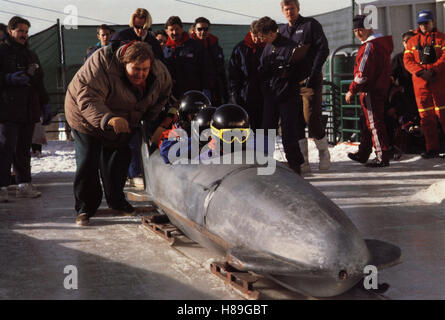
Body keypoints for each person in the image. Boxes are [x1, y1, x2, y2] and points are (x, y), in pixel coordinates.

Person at [65, 41, 172, 226]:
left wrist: (150, 120)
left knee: (119, 158)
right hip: (85, 116)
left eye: (145, 69)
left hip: (125, 116)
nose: (141, 74)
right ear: (124, 63)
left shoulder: (159, 72)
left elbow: (163, 95)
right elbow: (88, 98)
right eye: (136, 69)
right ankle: (85, 207)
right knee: (89, 160)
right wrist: (108, 119)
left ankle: (116, 200)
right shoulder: (101, 63)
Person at [0, 16, 51, 202]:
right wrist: (7, 78)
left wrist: (45, 104)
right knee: (5, 148)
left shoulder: (31, 54)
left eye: (26, 31)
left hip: (28, 109)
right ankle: (2, 186)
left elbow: (39, 82)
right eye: (20, 31)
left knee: (23, 148)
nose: (24, 35)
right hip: (6, 109)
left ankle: (24, 184)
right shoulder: (2, 52)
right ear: (10, 31)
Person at [279, 0, 331, 172]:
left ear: (298, 8)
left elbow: (323, 48)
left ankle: (324, 151)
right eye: (286, 9)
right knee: (296, 121)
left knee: (310, 118)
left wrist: (314, 71)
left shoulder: (310, 25)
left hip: (310, 80)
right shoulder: (283, 31)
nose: (289, 12)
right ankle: (304, 160)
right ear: (282, 11)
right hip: (291, 82)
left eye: (292, 8)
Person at [256, 16, 305, 175]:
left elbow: (302, 71)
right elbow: (262, 70)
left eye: (264, 36)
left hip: (288, 96)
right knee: (267, 131)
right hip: (271, 95)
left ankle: (296, 167)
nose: (262, 39)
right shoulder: (267, 48)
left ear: (271, 33)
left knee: (288, 133)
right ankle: (265, 166)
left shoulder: (291, 47)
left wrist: (288, 72)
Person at [345, 15, 393, 167]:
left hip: (371, 90)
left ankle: (382, 156)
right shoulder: (381, 44)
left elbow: (362, 73)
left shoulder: (369, 47)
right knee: (369, 123)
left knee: (374, 123)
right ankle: (364, 152)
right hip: (379, 88)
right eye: (355, 30)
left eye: (360, 29)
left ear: (369, 28)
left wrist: (351, 90)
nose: (358, 33)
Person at [404, 9, 445, 158]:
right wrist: (421, 72)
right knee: (426, 118)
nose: (423, 26)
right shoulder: (412, 42)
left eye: (426, 23)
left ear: (433, 22)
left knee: (443, 115)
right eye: (421, 23)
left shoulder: (442, 39)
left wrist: (433, 71)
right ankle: (432, 149)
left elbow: (444, 59)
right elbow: (407, 61)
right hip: (421, 85)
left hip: (439, 84)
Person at [228, 20, 266, 130]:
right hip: (244, 95)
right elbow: (233, 74)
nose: (256, 39)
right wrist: (234, 94)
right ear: (250, 32)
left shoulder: (267, 48)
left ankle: (263, 146)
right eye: (254, 36)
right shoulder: (240, 49)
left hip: (262, 95)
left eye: (259, 36)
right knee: (243, 129)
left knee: (263, 128)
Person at [164, 16, 212, 100]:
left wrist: (206, 89)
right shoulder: (164, 49)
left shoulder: (196, 46)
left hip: (193, 93)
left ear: (182, 29)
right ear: (167, 31)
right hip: (172, 95)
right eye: (171, 30)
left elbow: (206, 69)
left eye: (177, 29)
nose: (175, 32)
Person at [159, 90, 212, 164]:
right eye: (193, 116)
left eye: (202, 116)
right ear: (183, 116)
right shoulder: (174, 134)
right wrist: (198, 140)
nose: (198, 120)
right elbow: (166, 152)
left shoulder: (212, 130)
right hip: (190, 172)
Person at [190, 17, 228, 106]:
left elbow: (221, 70)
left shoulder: (215, 46)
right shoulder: (188, 47)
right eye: (199, 29)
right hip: (195, 90)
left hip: (214, 89)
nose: (203, 32)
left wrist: (225, 90)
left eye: (205, 29)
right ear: (194, 30)